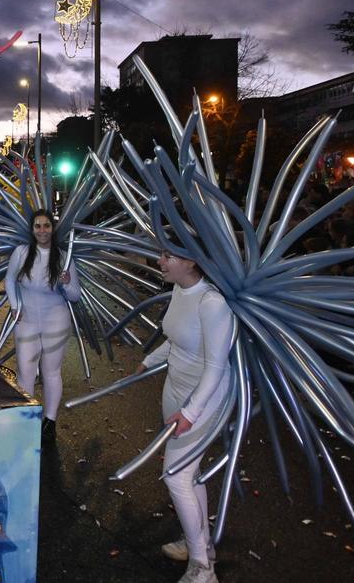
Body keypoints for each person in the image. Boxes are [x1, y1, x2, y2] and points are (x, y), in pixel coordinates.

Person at [135, 248, 232, 583]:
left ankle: (204, 569)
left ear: (191, 260)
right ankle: (201, 545)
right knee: (191, 474)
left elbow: (217, 367)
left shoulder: (213, 304)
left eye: (168, 256)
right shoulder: (180, 289)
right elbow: (176, 340)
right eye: (160, 254)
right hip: (174, 389)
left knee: (176, 475)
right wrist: (149, 360)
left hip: (204, 400)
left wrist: (191, 411)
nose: (160, 261)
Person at [4, 208, 81, 439]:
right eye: (37, 226)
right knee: (25, 371)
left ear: (53, 228)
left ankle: (50, 420)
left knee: (51, 372)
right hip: (25, 320)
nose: (42, 230)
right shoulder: (21, 252)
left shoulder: (64, 257)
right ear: (32, 229)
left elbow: (75, 295)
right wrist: (15, 306)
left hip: (55, 321)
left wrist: (66, 283)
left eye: (46, 226)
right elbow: (9, 279)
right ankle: (27, 417)